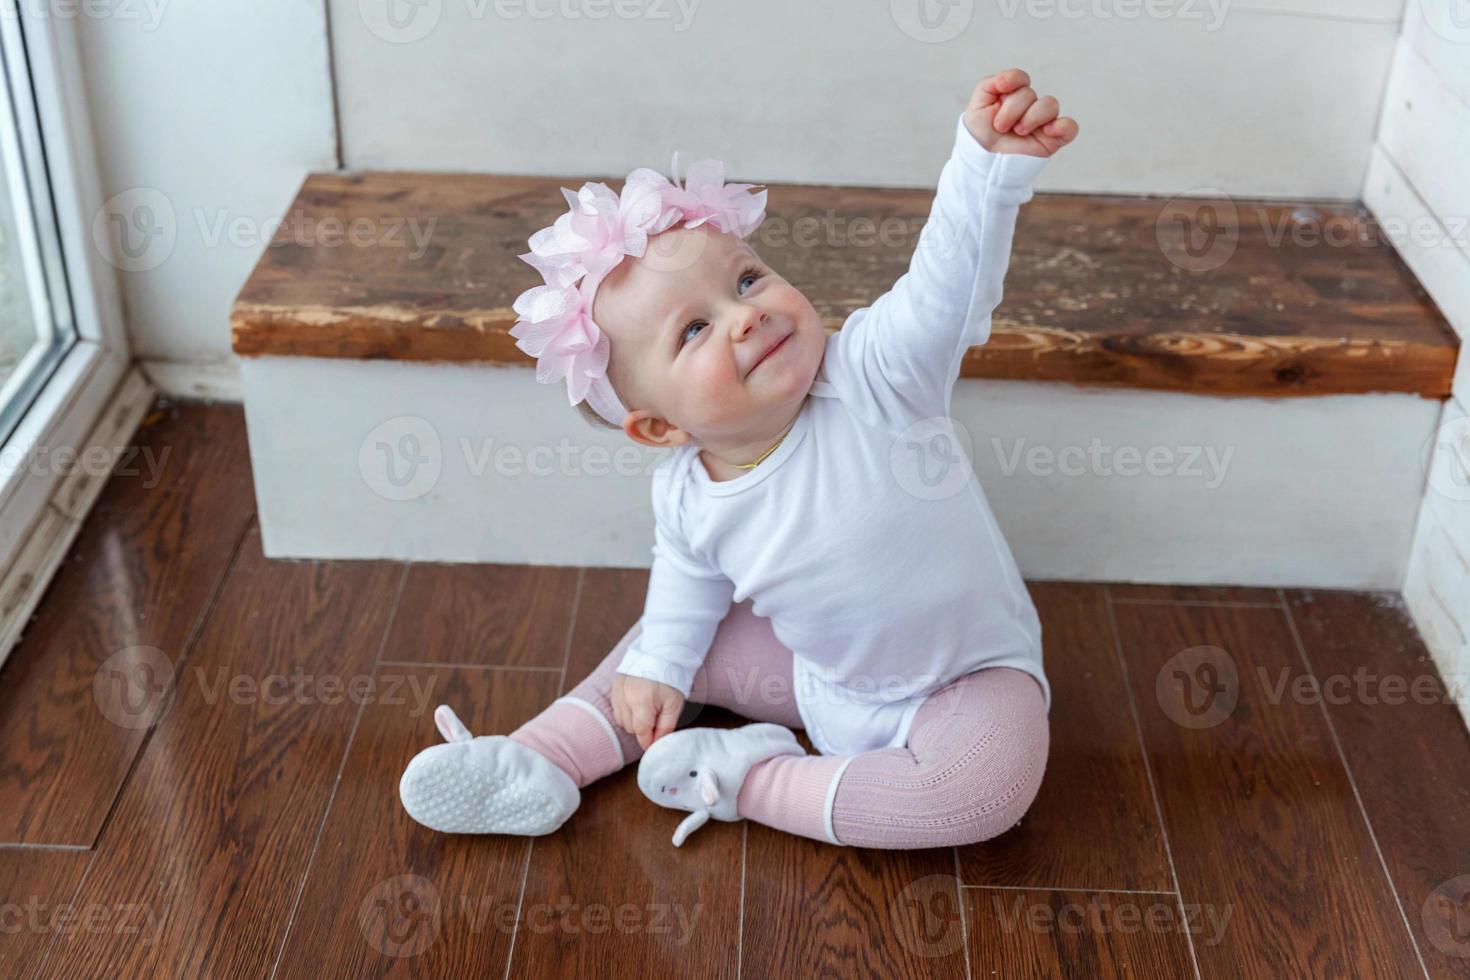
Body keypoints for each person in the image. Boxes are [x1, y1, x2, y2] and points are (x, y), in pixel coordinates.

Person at [400, 68, 1079, 849]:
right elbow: (686, 588)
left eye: (747, 279)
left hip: (964, 682)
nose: (746, 316)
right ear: (660, 429)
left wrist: (984, 165)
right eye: (693, 331)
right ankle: (536, 760)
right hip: (806, 671)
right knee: (660, 645)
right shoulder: (688, 496)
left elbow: (947, 283)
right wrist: (662, 663)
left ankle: (740, 776)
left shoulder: (878, 377)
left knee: (981, 792)